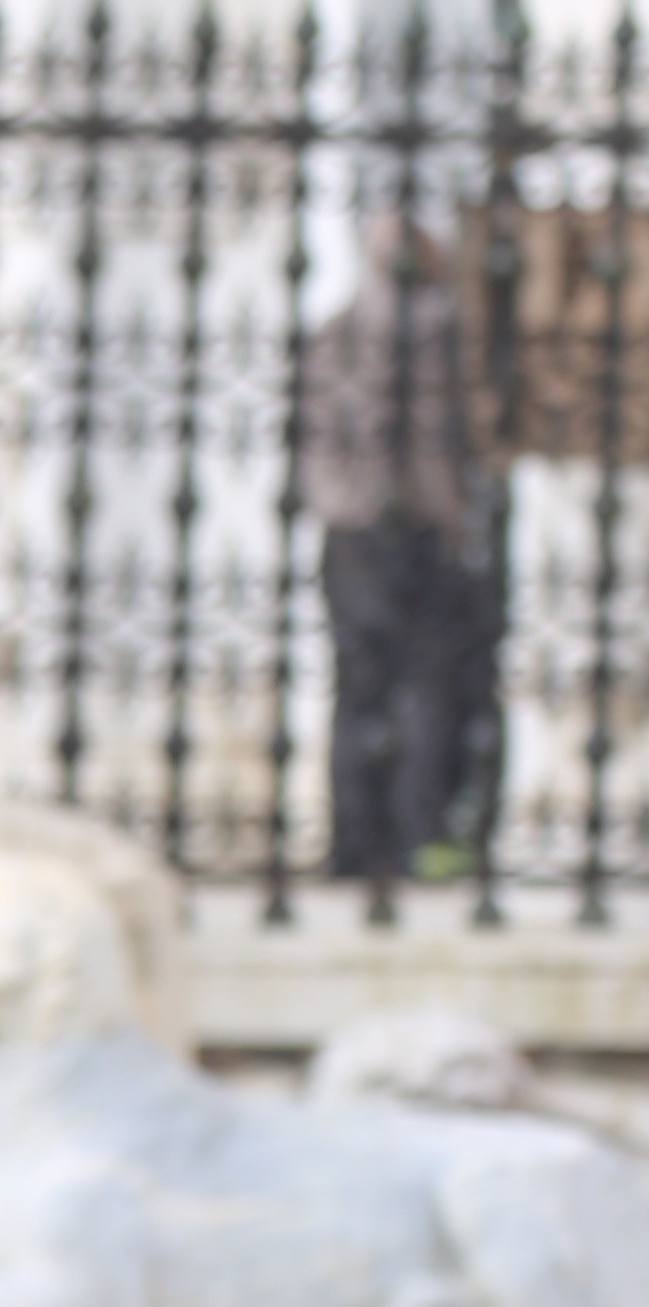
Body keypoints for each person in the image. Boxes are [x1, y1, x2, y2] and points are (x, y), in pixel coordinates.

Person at [304, 217, 504, 886]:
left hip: (399, 531)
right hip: (384, 531)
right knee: (387, 688)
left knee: (404, 690)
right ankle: (379, 837)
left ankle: (389, 838)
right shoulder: (372, 339)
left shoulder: (428, 341)